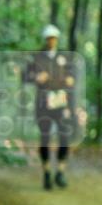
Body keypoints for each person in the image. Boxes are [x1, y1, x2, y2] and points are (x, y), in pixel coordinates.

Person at [24, 24, 76, 189]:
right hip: (43, 103)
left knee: (64, 137)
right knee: (45, 137)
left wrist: (70, 81)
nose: (51, 41)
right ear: (45, 40)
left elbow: (72, 77)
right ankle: (46, 173)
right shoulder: (37, 57)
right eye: (48, 38)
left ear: (57, 39)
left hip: (61, 102)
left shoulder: (64, 57)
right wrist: (36, 77)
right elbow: (25, 76)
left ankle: (60, 171)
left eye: (54, 38)